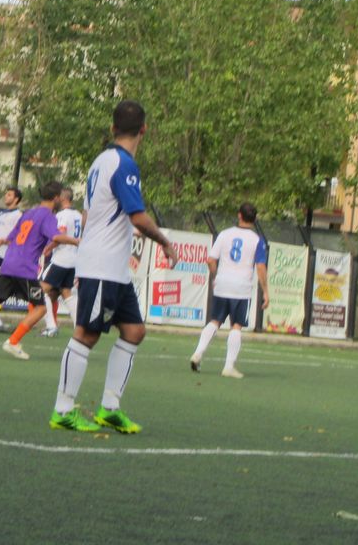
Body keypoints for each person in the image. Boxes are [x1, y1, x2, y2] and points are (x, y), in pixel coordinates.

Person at [49, 100, 176, 434]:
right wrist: (164, 242)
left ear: (112, 128)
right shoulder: (123, 164)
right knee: (86, 334)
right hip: (102, 266)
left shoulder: (101, 161)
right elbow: (138, 216)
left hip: (112, 268)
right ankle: (63, 409)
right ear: (144, 129)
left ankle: (110, 408)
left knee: (134, 331)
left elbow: (91, 213)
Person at [0, 181, 76, 359]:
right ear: (56, 198)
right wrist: (77, 241)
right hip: (24, 269)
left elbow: (11, 238)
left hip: (9, 264)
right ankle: (13, 341)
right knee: (41, 308)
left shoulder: (27, 214)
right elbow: (56, 236)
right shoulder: (48, 216)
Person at [190, 203, 269, 378]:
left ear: (239, 215)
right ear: (255, 219)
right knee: (236, 326)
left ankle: (198, 353)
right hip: (241, 287)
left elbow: (211, 260)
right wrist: (265, 291)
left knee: (215, 321)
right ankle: (228, 367)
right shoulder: (257, 240)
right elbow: (260, 267)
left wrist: (216, 277)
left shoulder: (224, 234)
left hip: (222, 284)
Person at [39, 186, 82, 337]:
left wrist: (49, 247)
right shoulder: (78, 215)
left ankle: (51, 326)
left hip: (61, 259)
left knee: (39, 290)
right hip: (73, 260)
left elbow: (61, 234)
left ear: (62, 198)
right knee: (66, 292)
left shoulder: (63, 215)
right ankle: (80, 328)